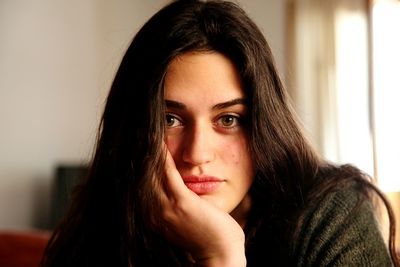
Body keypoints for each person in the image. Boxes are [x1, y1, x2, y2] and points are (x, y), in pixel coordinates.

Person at [41, 0, 399, 266]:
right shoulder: (104, 225)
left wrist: (220, 255)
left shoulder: (330, 216)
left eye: (228, 119)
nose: (197, 153)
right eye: (170, 119)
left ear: (263, 124)